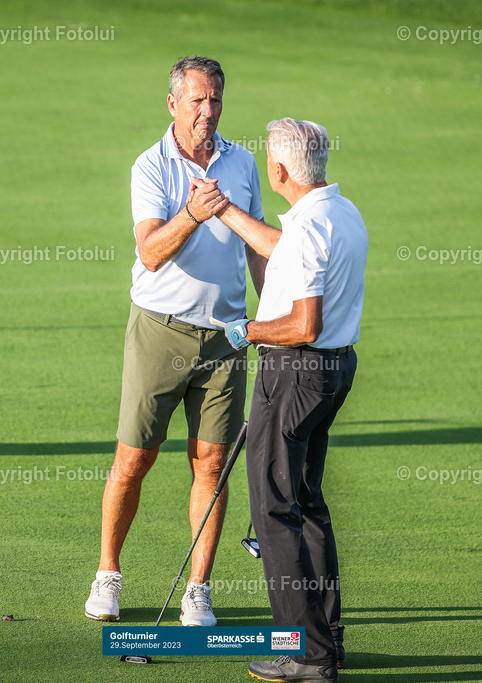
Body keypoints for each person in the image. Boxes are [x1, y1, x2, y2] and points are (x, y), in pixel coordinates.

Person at [83, 56, 266, 627]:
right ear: (172, 104)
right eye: (196, 101)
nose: (207, 111)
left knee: (211, 465)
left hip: (227, 338)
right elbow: (151, 252)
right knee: (133, 460)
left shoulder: (243, 162)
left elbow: (257, 249)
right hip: (160, 331)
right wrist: (193, 212)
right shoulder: (150, 167)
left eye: (215, 100)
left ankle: (198, 589)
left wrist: (277, 320)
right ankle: (108, 575)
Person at [203, 117, 367, 682]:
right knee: (306, 501)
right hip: (334, 372)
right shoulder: (339, 212)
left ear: (277, 170)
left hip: (295, 373)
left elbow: (301, 323)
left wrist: (248, 330)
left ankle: (306, 654)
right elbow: (288, 250)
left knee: (273, 508)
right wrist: (226, 210)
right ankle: (329, 640)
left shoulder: (309, 229)